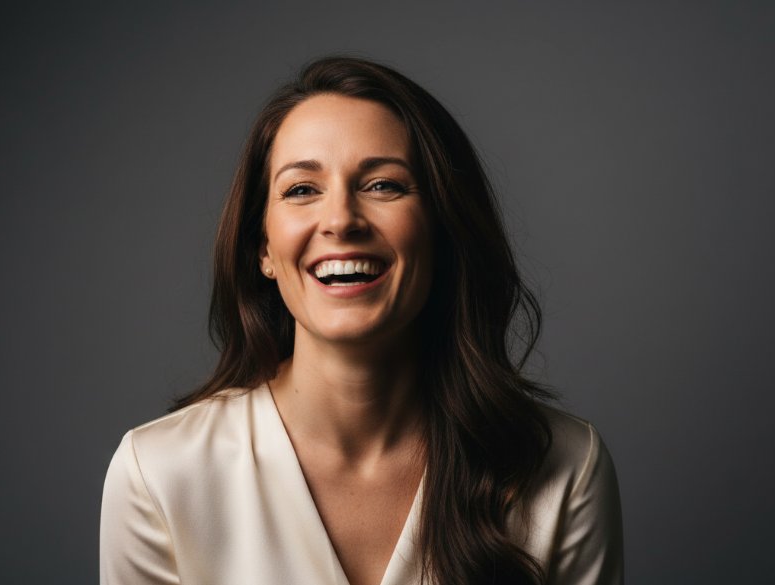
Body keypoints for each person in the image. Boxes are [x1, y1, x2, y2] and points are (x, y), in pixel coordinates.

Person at [100, 56, 623, 585]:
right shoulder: (159, 476)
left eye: (382, 185)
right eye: (302, 189)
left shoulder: (565, 468)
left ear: (442, 229)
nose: (341, 220)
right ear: (263, 247)